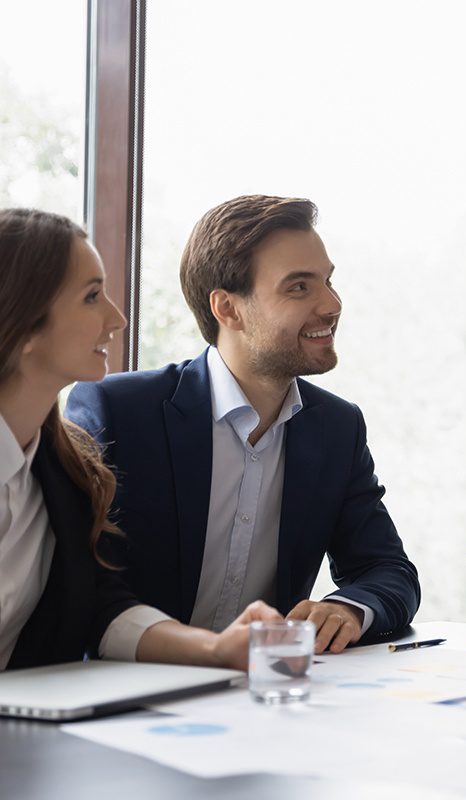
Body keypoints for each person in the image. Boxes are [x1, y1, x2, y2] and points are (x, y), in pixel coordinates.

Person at [66, 195, 420, 655]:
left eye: (328, 282)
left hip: (263, 698)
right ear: (227, 309)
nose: (332, 305)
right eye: (299, 288)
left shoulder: (337, 427)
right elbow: (83, 589)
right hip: (129, 693)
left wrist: (348, 608)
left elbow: (389, 570)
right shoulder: (119, 411)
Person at [0, 207, 279, 671]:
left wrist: (218, 649)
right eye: (92, 297)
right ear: (25, 322)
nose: (117, 318)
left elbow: (101, 608)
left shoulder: (66, 471)